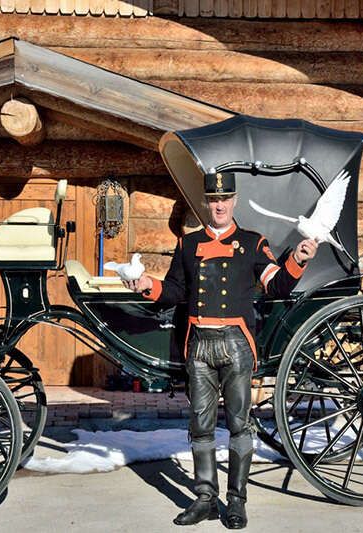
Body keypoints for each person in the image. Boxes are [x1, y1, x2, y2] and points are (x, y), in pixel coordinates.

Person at [125, 171, 317, 529]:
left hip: (237, 344)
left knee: (240, 426)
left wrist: (299, 258)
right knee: (200, 426)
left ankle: (236, 501)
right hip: (199, 345)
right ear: (206, 203)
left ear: (234, 201)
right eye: (214, 200)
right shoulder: (187, 245)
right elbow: (174, 292)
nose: (219, 205)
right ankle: (204, 498)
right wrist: (146, 285)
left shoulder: (252, 243)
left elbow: (276, 285)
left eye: (225, 198)